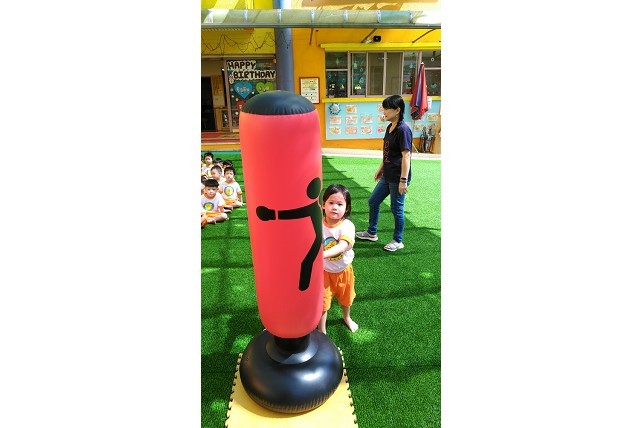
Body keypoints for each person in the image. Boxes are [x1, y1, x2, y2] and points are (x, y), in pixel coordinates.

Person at [356, 94, 412, 252]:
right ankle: (371, 232)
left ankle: (398, 240)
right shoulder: (389, 127)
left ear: (397, 110)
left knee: (396, 208)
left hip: (398, 177)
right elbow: (387, 152)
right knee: (373, 201)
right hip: (387, 174)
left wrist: (403, 180)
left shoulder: (403, 130)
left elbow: (406, 156)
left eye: (387, 108)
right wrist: (381, 168)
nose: (384, 111)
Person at [318, 184, 358, 334]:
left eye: (340, 204)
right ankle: (322, 332)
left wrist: (322, 255)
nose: (335, 207)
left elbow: (342, 246)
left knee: (346, 299)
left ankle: (347, 317)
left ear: (347, 208)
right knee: (322, 304)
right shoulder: (318, 223)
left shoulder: (347, 226)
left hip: (344, 271)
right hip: (323, 272)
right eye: (331, 203)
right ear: (323, 205)